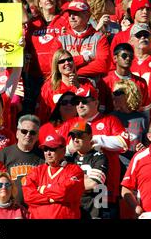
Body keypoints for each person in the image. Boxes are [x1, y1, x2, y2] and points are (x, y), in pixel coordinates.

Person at [59, 85, 129, 218]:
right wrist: (69, 149)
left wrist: (97, 140)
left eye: (84, 101)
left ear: (96, 102)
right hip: (76, 195)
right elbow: (55, 151)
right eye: (77, 102)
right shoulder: (69, 124)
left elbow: (124, 143)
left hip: (104, 192)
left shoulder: (110, 120)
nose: (80, 105)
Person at [23, 132, 84, 219]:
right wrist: (51, 199)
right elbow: (28, 197)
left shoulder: (74, 170)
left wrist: (42, 189)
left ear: (63, 150)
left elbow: (64, 192)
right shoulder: (36, 171)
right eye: (45, 149)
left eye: (52, 149)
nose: (48, 153)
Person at [53, 0, 110, 79]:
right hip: (67, 87)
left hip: (92, 86)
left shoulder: (99, 38)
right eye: (70, 14)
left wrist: (70, 71)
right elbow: (54, 65)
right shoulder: (60, 39)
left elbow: (102, 66)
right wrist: (84, 58)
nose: (71, 17)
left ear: (87, 16)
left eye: (76, 13)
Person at [0, 114, 44, 206]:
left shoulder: (43, 155)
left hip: (35, 208)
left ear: (37, 136)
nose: (28, 135)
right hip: (11, 208)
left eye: (32, 132)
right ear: (17, 133)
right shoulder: (4, 154)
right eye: (24, 131)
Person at [66, 120, 109, 219]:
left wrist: (69, 184)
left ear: (90, 137)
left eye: (80, 136)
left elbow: (93, 184)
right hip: (74, 211)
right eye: (73, 137)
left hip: (95, 212)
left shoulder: (100, 157)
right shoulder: (69, 159)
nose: (75, 140)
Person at [38, 50, 95, 123]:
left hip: (80, 127)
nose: (67, 63)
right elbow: (43, 112)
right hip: (58, 127)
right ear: (56, 66)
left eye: (69, 59)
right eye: (62, 61)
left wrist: (78, 86)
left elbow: (93, 102)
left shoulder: (85, 82)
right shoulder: (49, 86)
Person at [100, 42, 150, 118]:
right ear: (115, 58)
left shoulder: (141, 82)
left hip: (135, 123)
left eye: (131, 56)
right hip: (113, 124)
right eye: (124, 55)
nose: (128, 58)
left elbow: (145, 111)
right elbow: (101, 111)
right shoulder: (105, 82)